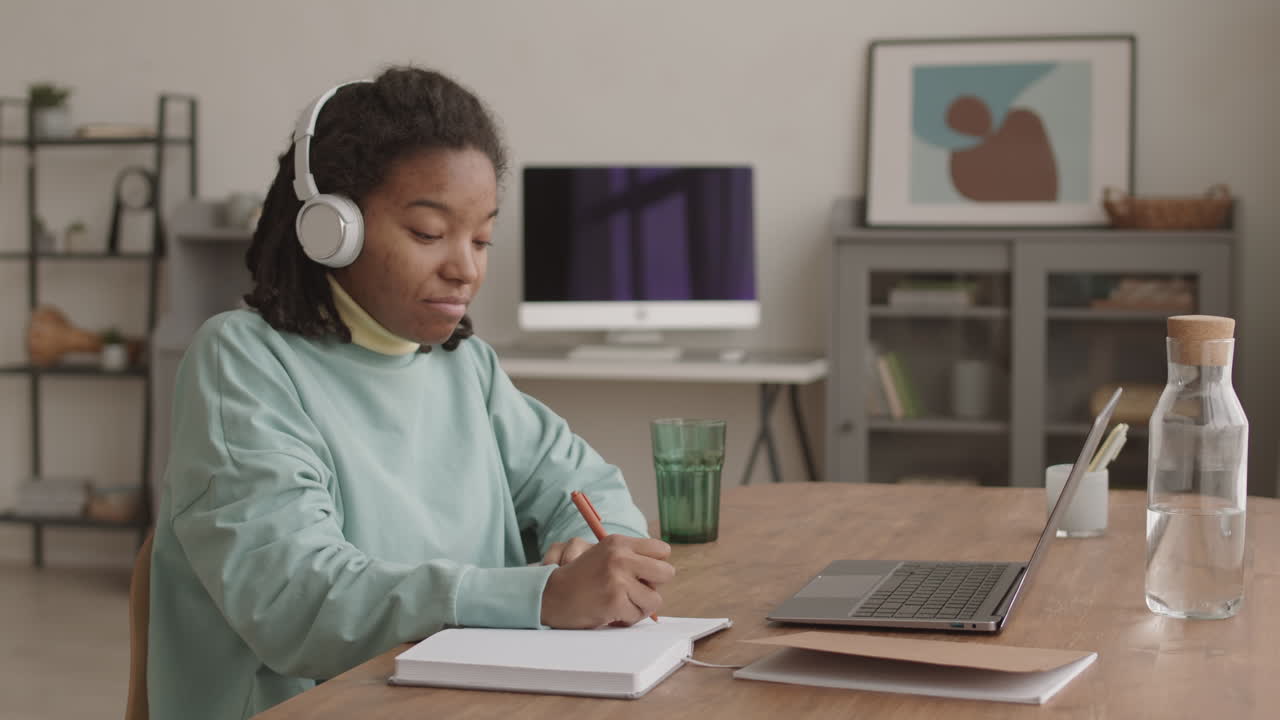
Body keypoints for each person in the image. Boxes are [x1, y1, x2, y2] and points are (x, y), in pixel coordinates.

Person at [146, 66, 674, 719]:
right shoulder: (243, 361)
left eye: (482, 238)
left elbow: (586, 486)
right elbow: (293, 602)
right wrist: (538, 598)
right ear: (330, 227)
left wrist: (592, 547)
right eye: (429, 233)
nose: (466, 267)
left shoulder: (464, 368)